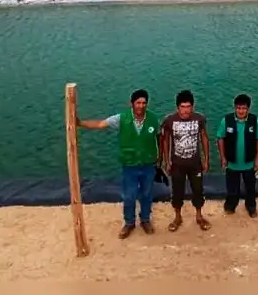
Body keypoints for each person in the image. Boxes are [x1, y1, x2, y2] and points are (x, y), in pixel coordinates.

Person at [77, 88, 160, 239]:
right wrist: (80, 123)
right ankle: (129, 222)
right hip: (130, 165)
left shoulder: (154, 119)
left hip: (148, 164)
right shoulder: (121, 118)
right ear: (131, 103)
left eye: (144, 103)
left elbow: (160, 139)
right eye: (138, 103)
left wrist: (161, 160)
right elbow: (101, 124)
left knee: (147, 194)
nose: (141, 106)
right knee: (129, 196)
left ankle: (145, 220)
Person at [159, 89, 211, 232]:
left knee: (198, 190)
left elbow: (204, 139)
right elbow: (165, 141)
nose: (186, 110)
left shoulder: (199, 119)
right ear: (177, 107)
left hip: (195, 164)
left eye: (188, 107)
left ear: (192, 107)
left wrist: (206, 159)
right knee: (177, 192)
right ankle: (177, 217)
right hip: (177, 164)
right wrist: (167, 161)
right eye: (183, 107)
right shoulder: (170, 120)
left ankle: (199, 216)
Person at [216, 93, 258, 217]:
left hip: (249, 163)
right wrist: (223, 158)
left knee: (250, 189)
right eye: (238, 108)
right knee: (232, 189)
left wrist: (257, 159)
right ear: (235, 108)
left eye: (243, 108)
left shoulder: (254, 120)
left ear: (248, 109)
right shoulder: (226, 120)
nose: (241, 111)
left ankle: (251, 208)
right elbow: (220, 138)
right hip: (232, 163)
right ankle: (230, 206)